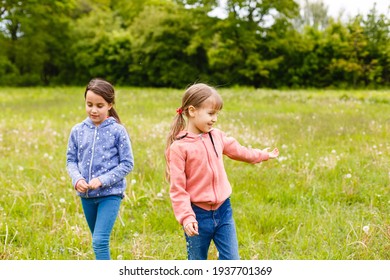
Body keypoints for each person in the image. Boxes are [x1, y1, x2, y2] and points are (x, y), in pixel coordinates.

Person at [165, 83, 279, 260]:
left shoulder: (216, 136)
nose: (215, 119)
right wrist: (187, 217)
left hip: (223, 210)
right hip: (197, 215)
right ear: (192, 111)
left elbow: (240, 151)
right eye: (211, 113)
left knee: (232, 261)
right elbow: (178, 189)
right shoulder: (179, 148)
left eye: (217, 113)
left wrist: (262, 155)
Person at [66, 78, 134, 260]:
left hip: (110, 194)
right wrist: (77, 179)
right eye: (89, 105)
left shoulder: (118, 131)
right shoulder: (78, 130)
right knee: (97, 242)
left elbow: (127, 163)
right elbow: (71, 161)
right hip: (87, 197)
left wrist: (103, 180)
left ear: (110, 105)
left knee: (99, 241)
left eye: (99, 105)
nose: (93, 110)